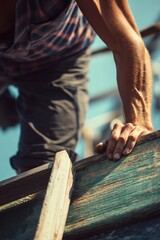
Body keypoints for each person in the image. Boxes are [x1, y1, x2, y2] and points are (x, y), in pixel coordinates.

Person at [0, 0, 153, 174]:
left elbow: (124, 41)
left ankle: (11, 113)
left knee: (42, 172)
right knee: (6, 114)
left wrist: (138, 122)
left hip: (58, 63)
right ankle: (8, 111)